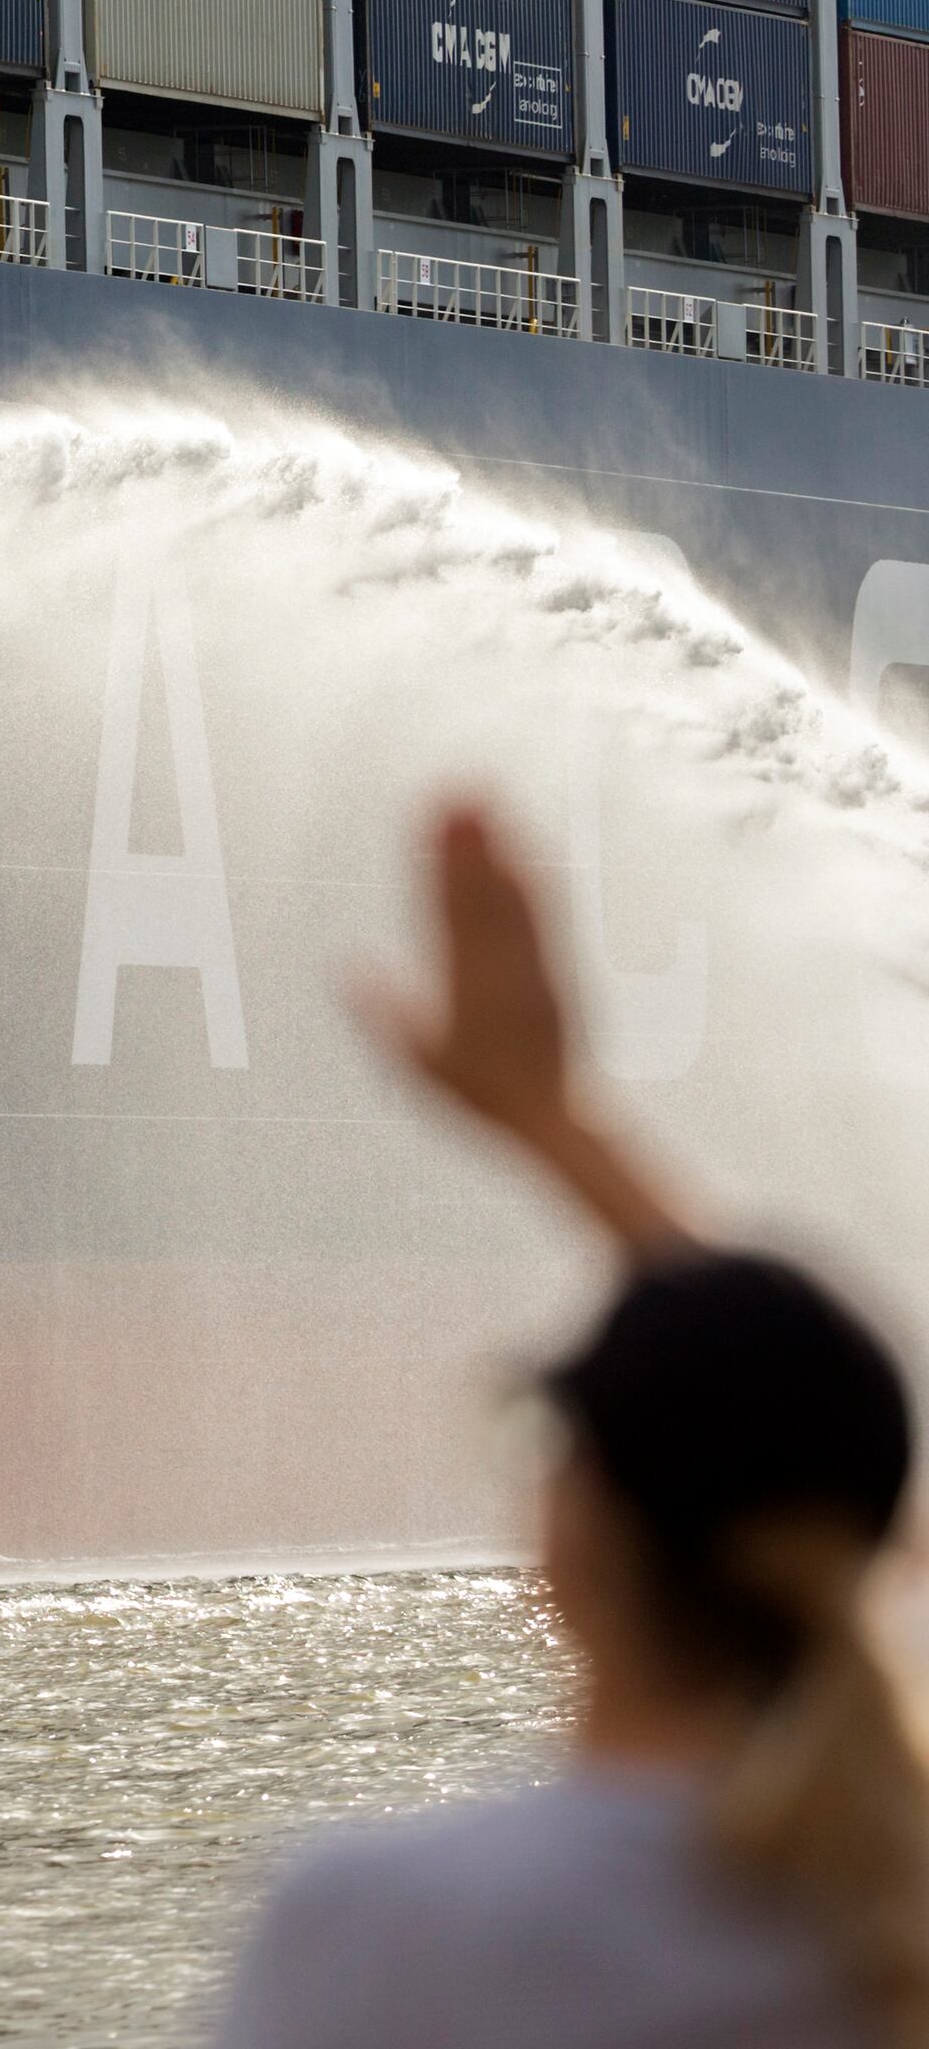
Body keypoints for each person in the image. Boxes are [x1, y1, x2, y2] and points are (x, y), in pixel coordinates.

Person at [212, 803, 929, 2049]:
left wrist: (544, 1120)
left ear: (568, 1543)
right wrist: (564, 1130)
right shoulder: (885, 1905)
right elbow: (801, 1437)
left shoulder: (390, 1928)